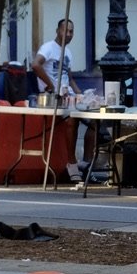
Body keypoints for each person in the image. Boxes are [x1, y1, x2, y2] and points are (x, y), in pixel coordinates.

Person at [31, 18, 95, 183]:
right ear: (57, 31)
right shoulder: (48, 48)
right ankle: (71, 163)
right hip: (54, 97)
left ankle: (86, 164)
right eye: (65, 30)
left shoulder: (68, 52)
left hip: (70, 95)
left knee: (96, 121)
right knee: (72, 119)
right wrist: (53, 86)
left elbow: (70, 78)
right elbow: (36, 65)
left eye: (71, 31)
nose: (68, 34)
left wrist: (82, 95)